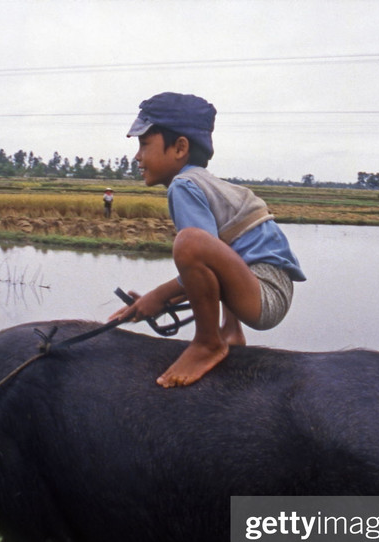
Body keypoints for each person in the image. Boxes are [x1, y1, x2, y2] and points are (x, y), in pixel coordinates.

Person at [110, 92, 305, 387]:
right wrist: (162, 300)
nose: (137, 156)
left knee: (190, 243)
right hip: (264, 283)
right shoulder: (206, 183)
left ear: (179, 148)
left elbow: (200, 255)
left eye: (144, 144)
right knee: (221, 245)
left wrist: (159, 296)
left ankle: (207, 342)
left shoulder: (183, 185)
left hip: (264, 294)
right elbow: (216, 264)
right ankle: (230, 331)